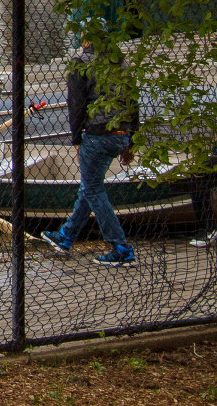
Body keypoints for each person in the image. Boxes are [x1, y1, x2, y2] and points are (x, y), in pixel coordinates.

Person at [42, 32, 141, 266]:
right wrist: (131, 140)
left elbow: (75, 103)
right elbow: (133, 103)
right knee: (89, 185)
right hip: (121, 133)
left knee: (93, 188)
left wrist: (76, 137)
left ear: (86, 40)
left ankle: (120, 247)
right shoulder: (121, 64)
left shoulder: (82, 64)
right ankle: (66, 236)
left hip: (97, 134)